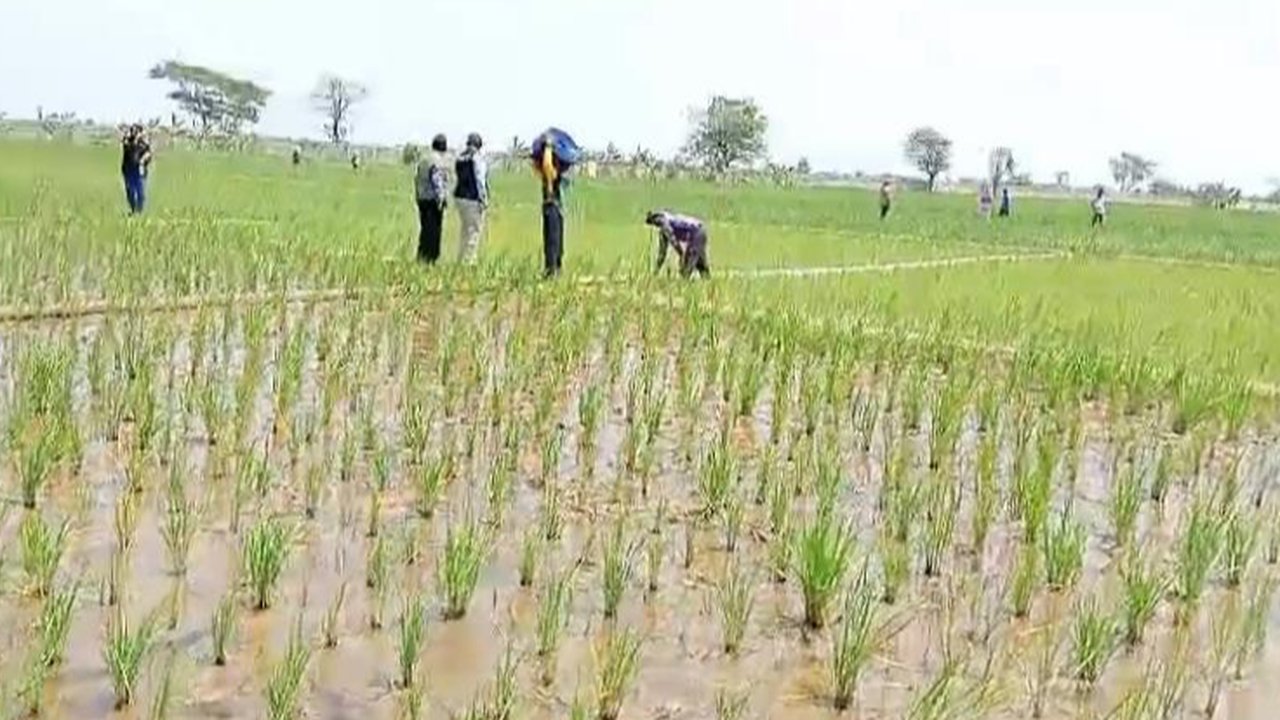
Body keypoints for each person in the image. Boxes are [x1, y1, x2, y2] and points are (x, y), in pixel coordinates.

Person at [453, 133, 489, 265]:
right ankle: (468, 262)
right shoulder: (477, 159)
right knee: (474, 231)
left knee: (464, 230)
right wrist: (483, 199)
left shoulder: (460, 158)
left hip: (459, 198)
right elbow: (480, 181)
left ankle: (460, 258)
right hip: (473, 199)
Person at [414, 134, 450, 264]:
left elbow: (417, 178)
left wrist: (418, 195)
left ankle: (422, 256)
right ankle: (430, 258)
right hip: (432, 200)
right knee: (433, 231)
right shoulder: (437, 161)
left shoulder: (424, 159)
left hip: (422, 199)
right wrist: (441, 198)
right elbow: (437, 181)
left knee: (425, 229)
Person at [645, 210, 710, 279]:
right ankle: (707, 280)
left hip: (697, 232)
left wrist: (682, 255)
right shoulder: (664, 228)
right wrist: (656, 271)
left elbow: (673, 241)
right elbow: (662, 252)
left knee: (686, 268)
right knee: (699, 263)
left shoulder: (665, 222)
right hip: (697, 234)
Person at [120, 124, 152, 215]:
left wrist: (144, 159)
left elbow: (148, 154)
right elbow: (128, 147)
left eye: (136, 131)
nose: (134, 132)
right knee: (130, 191)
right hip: (128, 170)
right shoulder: (128, 141)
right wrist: (134, 139)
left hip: (140, 171)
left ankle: (139, 211)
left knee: (140, 192)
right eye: (132, 130)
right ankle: (133, 209)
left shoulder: (144, 143)